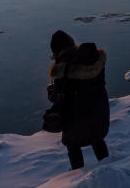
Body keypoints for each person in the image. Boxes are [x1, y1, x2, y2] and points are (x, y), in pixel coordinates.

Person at [47, 30, 110, 170]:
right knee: (97, 140)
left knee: (73, 145)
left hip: (77, 118)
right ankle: (108, 167)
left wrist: (51, 92)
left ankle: (77, 178)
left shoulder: (62, 69)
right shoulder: (93, 58)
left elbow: (58, 99)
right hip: (100, 112)